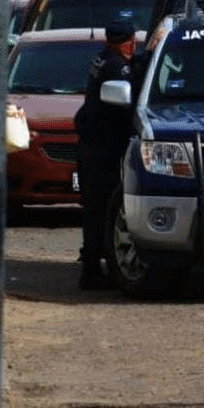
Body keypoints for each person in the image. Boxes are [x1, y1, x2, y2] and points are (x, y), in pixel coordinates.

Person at [73, 19, 137, 289]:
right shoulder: (117, 67)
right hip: (105, 148)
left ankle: (91, 265)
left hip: (92, 143)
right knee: (105, 208)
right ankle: (96, 268)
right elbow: (125, 107)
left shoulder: (101, 58)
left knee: (94, 208)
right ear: (129, 42)